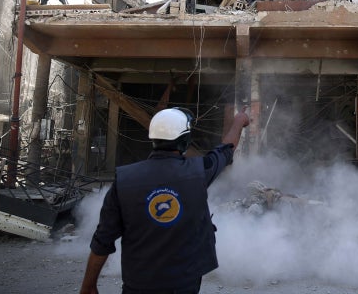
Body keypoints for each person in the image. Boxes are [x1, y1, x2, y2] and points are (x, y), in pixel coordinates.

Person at [79, 106, 251, 294]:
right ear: (185, 140)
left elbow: (103, 240)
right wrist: (239, 121)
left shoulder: (125, 180)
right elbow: (226, 149)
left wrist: (88, 285)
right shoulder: (200, 171)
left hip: (138, 286)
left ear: (153, 139)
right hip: (185, 284)